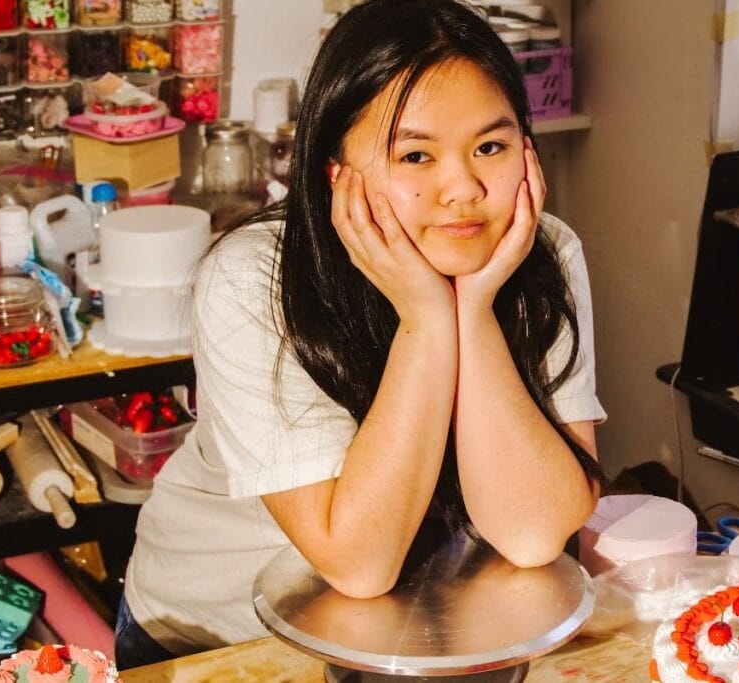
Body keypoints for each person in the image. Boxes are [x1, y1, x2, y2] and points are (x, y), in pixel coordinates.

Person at [115, 0, 607, 669]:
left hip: (431, 639)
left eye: (489, 147)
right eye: (415, 155)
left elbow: (535, 531)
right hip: (223, 640)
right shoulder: (252, 281)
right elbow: (360, 560)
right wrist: (426, 321)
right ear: (335, 173)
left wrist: (474, 307)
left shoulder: (544, 254)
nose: (462, 187)